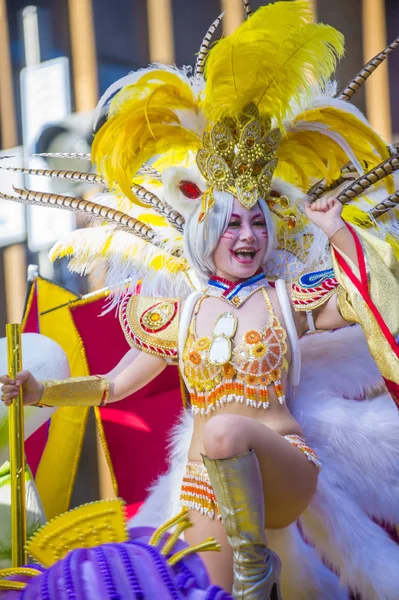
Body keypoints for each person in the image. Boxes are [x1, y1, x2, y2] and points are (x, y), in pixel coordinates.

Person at [1, 2, 399, 598]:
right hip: (202, 485)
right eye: (231, 224)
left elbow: (370, 301)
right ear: (204, 231)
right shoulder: (179, 315)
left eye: (258, 223)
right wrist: (43, 392)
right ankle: (247, 575)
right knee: (143, 580)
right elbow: (114, 386)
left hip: (285, 467)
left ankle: (254, 571)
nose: (246, 236)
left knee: (221, 433)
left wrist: (338, 231)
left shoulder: (290, 300)